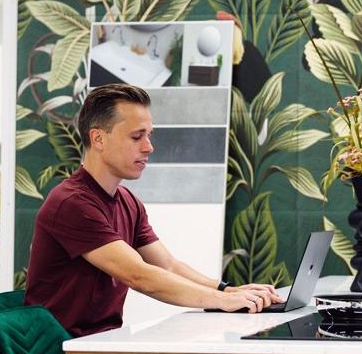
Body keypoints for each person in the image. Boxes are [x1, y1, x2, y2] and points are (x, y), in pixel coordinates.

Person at [24, 83, 282, 336]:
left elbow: (168, 266)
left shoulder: (127, 201)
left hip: (98, 344)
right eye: (137, 137)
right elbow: (139, 275)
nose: (149, 147)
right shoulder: (72, 203)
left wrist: (227, 291)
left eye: (149, 135)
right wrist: (221, 301)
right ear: (98, 138)